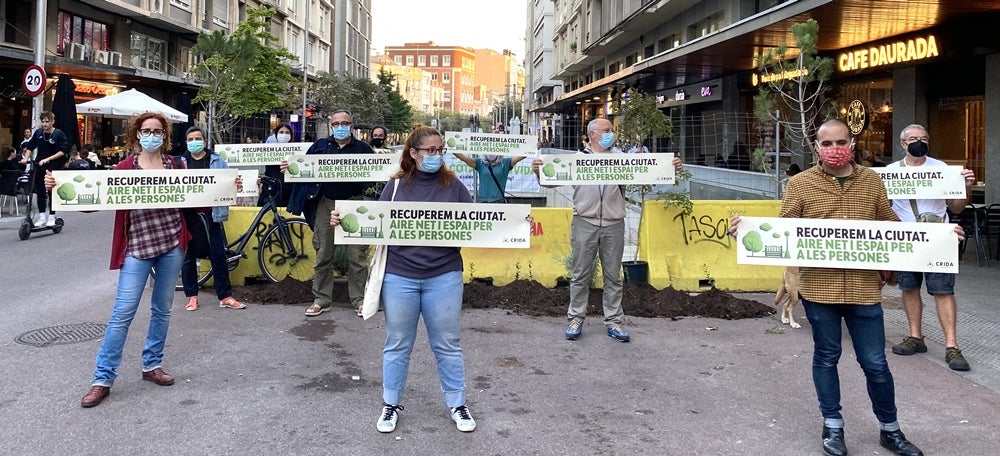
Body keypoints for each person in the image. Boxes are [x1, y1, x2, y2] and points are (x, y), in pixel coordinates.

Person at [731, 119, 925, 456]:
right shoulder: (800, 184)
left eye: (841, 142)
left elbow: (891, 226)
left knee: (876, 363)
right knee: (826, 357)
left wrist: (938, 238)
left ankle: (890, 430)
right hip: (820, 289)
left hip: (864, 289)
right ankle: (832, 426)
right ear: (817, 147)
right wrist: (746, 232)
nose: (835, 149)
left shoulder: (872, 181)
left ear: (852, 144)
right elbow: (785, 229)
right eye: (827, 143)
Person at [330, 124, 476, 434]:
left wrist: (517, 224)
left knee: (448, 344)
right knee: (397, 343)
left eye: (441, 150)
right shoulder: (395, 186)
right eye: (430, 150)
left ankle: (457, 404)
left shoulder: (453, 185)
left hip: (444, 275)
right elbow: (373, 221)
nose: (437, 155)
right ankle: (390, 403)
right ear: (413, 152)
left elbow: (479, 223)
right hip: (400, 277)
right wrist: (342, 221)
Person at [49, 112, 187, 408]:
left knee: (162, 309)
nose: (152, 135)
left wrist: (232, 186)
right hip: (136, 247)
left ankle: (152, 364)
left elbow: (198, 200)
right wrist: (58, 187)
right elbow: (96, 200)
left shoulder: (176, 166)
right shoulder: (124, 168)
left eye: (158, 131)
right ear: (137, 134)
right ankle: (102, 378)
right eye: (147, 130)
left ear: (165, 135)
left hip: (172, 244)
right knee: (122, 313)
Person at [532, 117, 683, 343]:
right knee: (580, 275)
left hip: (614, 223)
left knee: (613, 276)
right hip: (584, 222)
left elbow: (649, 172)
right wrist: (538, 171)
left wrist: (671, 168)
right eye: (606, 130)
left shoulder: (621, 159)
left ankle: (614, 321)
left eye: (611, 130)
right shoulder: (577, 160)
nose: (611, 133)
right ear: (592, 134)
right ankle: (575, 319)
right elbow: (549, 181)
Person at [887, 124, 974, 372]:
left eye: (924, 138)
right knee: (909, 287)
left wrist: (967, 187)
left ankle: (952, 346)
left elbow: (956, 207)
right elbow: (883, 206)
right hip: (905, 239)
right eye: (914, 138)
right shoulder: (891, 173)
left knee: (943, 291)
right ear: (903, 144)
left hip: (938, 239)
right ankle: (915, 337)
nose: (919, 142)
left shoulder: (942, 169)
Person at [284, 109, 371, 317]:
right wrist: (289, 167)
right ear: (331, 126)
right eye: (336, 124)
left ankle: (359, 300)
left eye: (345, 123)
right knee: (323, 253)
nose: (340, 127)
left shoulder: (363, 149)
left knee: (357, 255)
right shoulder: (320, 147)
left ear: (352, 126)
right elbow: (303, 169)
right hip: (325, 203)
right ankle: (321, 299)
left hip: (353, 203)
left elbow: (375, 175)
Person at [180, 126, 245, 312]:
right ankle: (192, 296)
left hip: (212, 214)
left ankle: (225, 296)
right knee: (188, 257)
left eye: (197, 138)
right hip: (188, 215)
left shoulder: (217, 160)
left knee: (218, 255)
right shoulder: (180, 163)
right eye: (190, 139)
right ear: (186, 142)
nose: (194, 142)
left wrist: (235, 185)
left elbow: (229, 183)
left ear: (204, 140)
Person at [21, 111, 69, 227]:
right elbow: (30, 147)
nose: (45, 124)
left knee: (52, 191)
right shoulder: (38, 133)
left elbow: (63, 151)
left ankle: (52, 216)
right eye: (43, 121)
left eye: (47, 121)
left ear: (52, 122)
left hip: (54, 166)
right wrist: (25, 158)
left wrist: (48, 159)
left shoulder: (58, 134)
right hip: (40, 166)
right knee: (40, 191)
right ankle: (42, 216)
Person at [452, 152, 525, 203]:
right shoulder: (480, 163)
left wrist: (530, 148)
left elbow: (522, 156)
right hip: (482, 201)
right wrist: (450, 148)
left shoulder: (505, 163)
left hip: (498, 202)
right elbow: (463, 158)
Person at [259, 122, 295, 207]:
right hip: (271, 190)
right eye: (281, 132)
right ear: (276, 135)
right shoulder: (268, 151)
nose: (284, 135)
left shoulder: (297, 151)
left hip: (289, 190)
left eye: (287, 133)